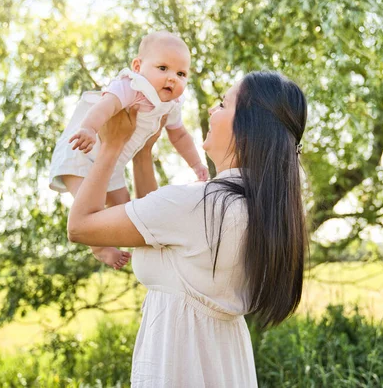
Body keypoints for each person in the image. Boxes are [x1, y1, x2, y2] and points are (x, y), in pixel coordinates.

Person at [67, 71, 308, 387]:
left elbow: (81, 227)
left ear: (248, 126)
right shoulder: (257, 208)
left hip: (179, 367)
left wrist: (112, 146)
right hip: (226, 367)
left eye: (223, 104)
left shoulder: (198, 204)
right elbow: (157, 229)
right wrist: (143, 157)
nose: (211, 110)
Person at [49, 31, 208, 270]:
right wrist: (89, 129)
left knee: (125, 208)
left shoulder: (171, 104)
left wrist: (196, 165)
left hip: (113, 162)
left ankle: (131, 249)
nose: (172, 78)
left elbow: (180, 135)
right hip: (80, 151)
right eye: (163, 68)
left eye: (181, 73)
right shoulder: (132, 86)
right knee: (91, 209)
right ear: (138, 66)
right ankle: (100, 248)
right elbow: (106, 106)